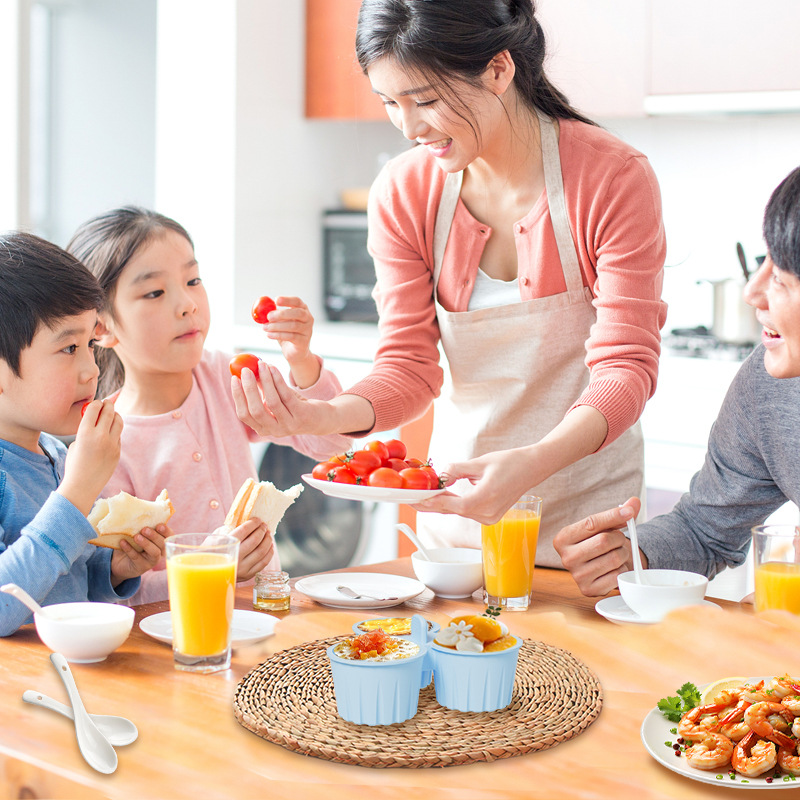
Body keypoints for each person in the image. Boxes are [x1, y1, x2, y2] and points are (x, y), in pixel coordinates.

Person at [231, 0, 667, 564]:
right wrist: (324, 415)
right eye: (390, 103)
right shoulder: (405, 192)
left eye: (426, 100)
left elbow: (626, 368)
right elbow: (407, 368)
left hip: (587, 538)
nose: (409, 127)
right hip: (456, 535)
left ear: (498, 69)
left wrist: (532, 462)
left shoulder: (610, 177)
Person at [66, 207, 352, 604]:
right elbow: (120, 592)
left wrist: (301, 360)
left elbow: (332, 442)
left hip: (267, 619)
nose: (187, 304)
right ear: (103, 328)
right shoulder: (104, 444)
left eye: (192, 280)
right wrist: (213, 565)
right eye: (154, 292)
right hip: (176, 642)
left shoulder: (224, 376)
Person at [554, 165, 800, 596]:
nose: (752, 293)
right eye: (765, 263)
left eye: (779, 278)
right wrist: (630, 555)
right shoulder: (767, 388)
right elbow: (705, 529)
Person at [0, 233, 165, 636]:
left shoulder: (54, 452)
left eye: (90, 343)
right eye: (69, 348)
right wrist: (75, 494)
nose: (92, 369)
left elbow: (62, 586)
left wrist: (114, 570)